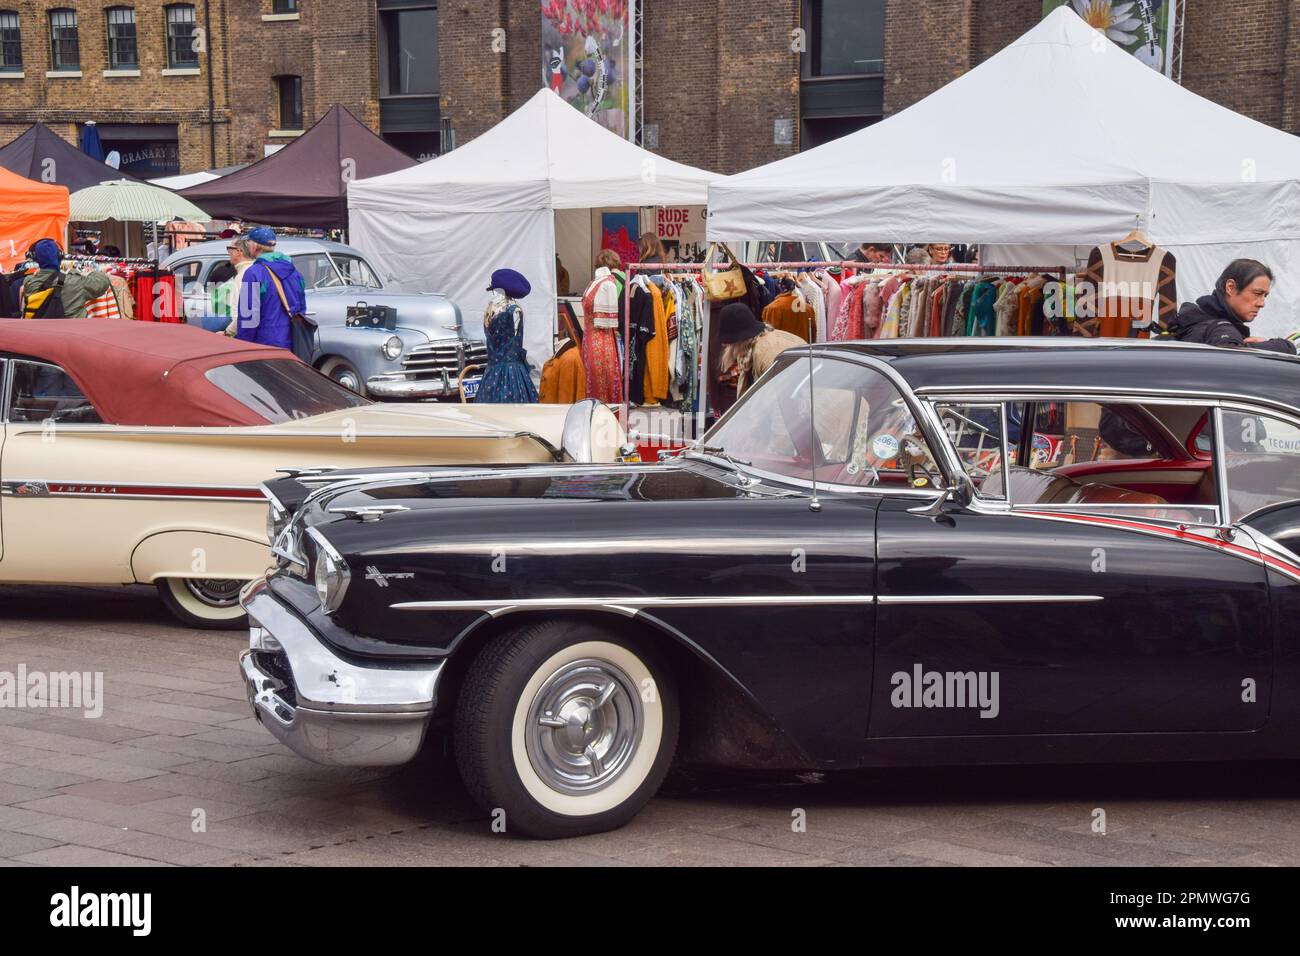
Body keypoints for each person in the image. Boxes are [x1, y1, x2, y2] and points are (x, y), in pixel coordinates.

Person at [1163, 259, 1296, 354]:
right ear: (1230, 287)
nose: (1262, 303)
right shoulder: (1221, 329)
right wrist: (1286, 346)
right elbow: (1233, 357)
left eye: (1265, 296)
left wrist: (1247, 345)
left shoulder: (1196, 320)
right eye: (1257, 293)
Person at [236, 226, 306, 352]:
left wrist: (243, 347)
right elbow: (302, 308)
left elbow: (248, 316)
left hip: (264, 345)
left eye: (248, 243)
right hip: (292, 344)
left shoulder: (253, 273)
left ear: (254, 246)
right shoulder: (295, 272)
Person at [717, 301, 805, 399]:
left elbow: (779, 397)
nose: (724, 344)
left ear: (738, 340)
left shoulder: (765, 352)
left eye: (729, 341)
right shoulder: (753, 345)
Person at [475, 268, 538, 403]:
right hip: (513, 375)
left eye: (495, 289)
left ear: (500, 289)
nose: (493, 293)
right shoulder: (515, 310)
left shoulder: (490, 309)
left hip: (490, 375)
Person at [20, 239, 110, 319]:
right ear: (60, 256)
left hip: (42, 334)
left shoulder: (29, 282)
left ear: (36, 259)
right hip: (72, 334)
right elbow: (103, 283)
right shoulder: (76, 281)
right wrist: (89, 272)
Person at [579, 249, 625, 404]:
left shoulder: (602, 284)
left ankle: (603, 417)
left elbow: (605, 322)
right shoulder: (603, 283)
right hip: (599, 343)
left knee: (599, 381)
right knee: (597, 380)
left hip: (597, 341)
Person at [214, 238, 255, 335]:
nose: (229, 253)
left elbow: (244, 314)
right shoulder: (252, 270)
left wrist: (226, 333)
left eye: (230, 249)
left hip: (244, 333)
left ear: (239, 251)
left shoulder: (244, 275)